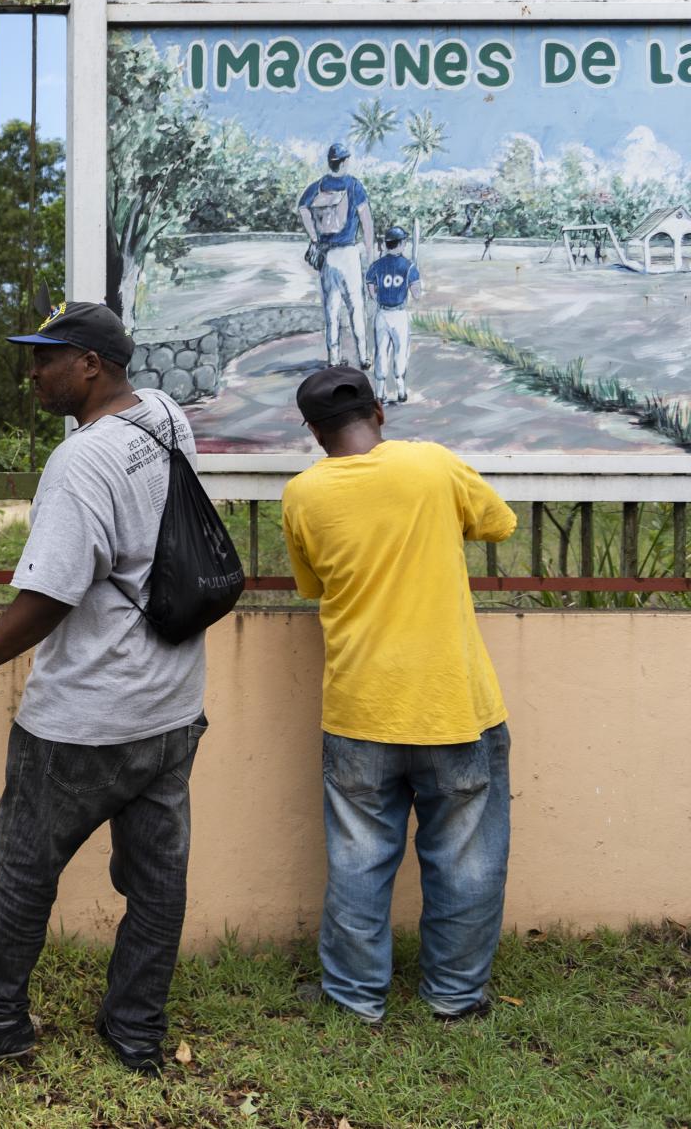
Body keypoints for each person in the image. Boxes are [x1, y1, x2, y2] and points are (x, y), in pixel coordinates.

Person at [0, 302, 209, 1076]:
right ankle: (136, 1029)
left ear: (91, 365)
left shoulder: (80, 462)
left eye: (46, 357)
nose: (32, 372)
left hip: (86, 717)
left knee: (22, 870)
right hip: (172, 706)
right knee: (157, 881)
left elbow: (52, 590)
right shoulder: (166, 416)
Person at [281, 367, 517, 1025]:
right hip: (454, 705)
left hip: (360, 707)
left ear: (312, 431)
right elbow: (499, 522)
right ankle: (454, 997)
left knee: (359, 857)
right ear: (378, 412)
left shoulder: (302, 494)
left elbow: (312, 585)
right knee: (467, 859)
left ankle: (355, 998)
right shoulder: (433, 466)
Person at [296, 141, 375, 371]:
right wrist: (370, 254)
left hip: (328, 255)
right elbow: (367, 222)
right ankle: (363, 356)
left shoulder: (319, 186)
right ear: (344, 161)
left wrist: (314, 237)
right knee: (356, 306)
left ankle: (333, 357)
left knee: (331, 308)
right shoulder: (353, 185)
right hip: (349, 253)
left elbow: (303, 208)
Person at [364, 225, 421, 403]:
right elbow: (417, 294)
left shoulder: (377, 265)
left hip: (382, 313)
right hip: (399, 314)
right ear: (402, 243)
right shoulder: (409, 266)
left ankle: (379, 393)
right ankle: (401, 391)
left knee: (380, 352)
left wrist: (378, 298)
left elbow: (371, 288)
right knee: (400, 351)